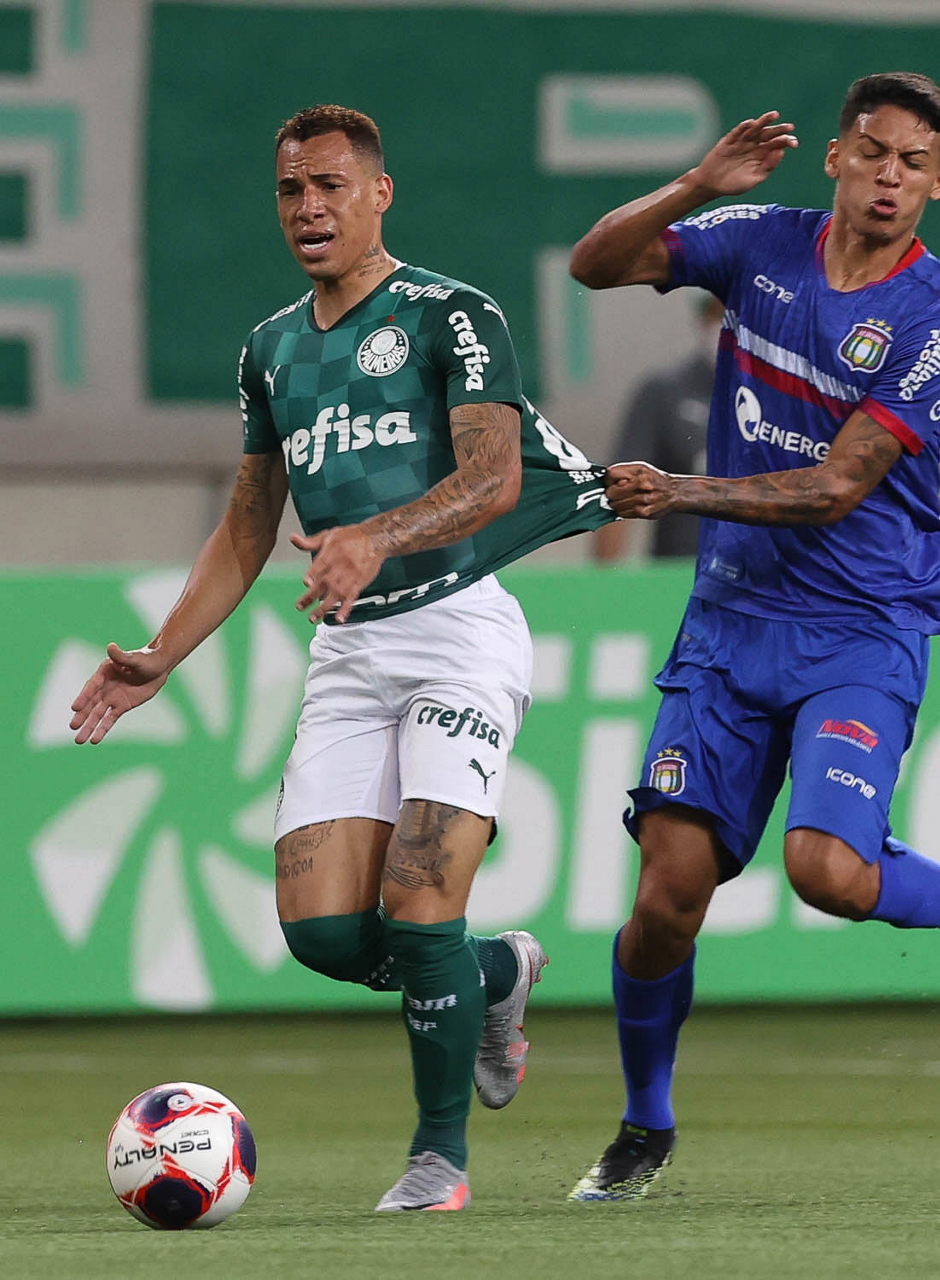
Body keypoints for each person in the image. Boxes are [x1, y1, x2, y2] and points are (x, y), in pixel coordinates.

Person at [69, 103, 613, 1213]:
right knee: (322, 932)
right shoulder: (270, 349)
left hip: (457, 631)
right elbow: (247, 524)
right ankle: (495, 971)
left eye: (329, 185)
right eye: (290, 190)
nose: (308, 207)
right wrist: (163, 654)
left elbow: (493, 478)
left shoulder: (450, 313)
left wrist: (377, 535)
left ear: (379, 193)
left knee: (419, 898)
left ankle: (438, 1161)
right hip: (350, 652)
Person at [565, 73, 940, 1203]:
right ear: (836, 157)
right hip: (732, 620)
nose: (890, 176)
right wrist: (696, 184)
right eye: (872, 152)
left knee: (826, 871)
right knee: (664, 897)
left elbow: (837, 487)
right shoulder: (758, 242)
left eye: (913, 164)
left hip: (862, 623)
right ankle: (644, 1124)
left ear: (937, 184)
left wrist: (676, 490)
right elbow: (594, 265)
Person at [592, 293, 723, 562]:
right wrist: (604, 578)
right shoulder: (666, 391)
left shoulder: (783, 395)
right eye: (717, 314)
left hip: (765, 569)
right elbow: (622, 483)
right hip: (682, 566)